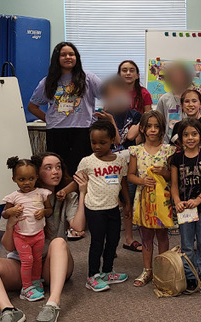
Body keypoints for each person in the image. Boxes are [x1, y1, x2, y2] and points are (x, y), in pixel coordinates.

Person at [0, 152, 85, 322]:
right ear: (37, 173)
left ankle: (52, 304)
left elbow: (78, 227)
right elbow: (9, 247)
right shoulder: (16, 200)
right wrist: (11, 223)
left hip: (52, 265)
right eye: (48, 168)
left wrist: (82, 193)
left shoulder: (66, 196)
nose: (55, 171)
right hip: (22, 264)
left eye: (58, 167)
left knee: (58, 242)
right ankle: (8, 310)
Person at [28, 42, 102, 174]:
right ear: (57, 58)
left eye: (71, 54)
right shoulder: (48, 82)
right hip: (56, 131)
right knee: (58, 171)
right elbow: (32, 107)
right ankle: (60, 195)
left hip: (83, 130)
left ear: (76, 57)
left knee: (82, 170)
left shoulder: (88, 78)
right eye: (63, 55)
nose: (68, 57)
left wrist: (102, 117)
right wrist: (49, 119)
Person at [76, 119, 131, 291]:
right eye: (93, 142)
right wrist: (64, 190)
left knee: (113, 240)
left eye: (102, 142)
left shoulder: (120, 160)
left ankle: (107, 271)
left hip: (113, 208)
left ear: (112, 140)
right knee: (97, 242)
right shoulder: (87, 161)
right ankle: (92, 276)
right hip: (94, 209)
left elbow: (123, 182)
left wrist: (127, 203)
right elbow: (77, 179)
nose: (97, 146)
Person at [128, 111, 176, 287]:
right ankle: (147, 270)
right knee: (146, 236)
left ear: (162, 129)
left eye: (156, 126)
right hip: (143, 200)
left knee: (163, 235)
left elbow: (172, 175)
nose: (153, 130)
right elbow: (130, 175)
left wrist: (164, 172)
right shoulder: (136, 151)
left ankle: (162, 268)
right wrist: (141, 181)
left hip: (162, 201)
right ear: (142, 128)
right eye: (149, 126)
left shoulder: (168, 150)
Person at [97, 76, 142, 252]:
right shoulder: (103, 116)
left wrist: (112, 121)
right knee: (110, 203)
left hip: (129, 164)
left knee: (128, 201)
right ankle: (109, 243)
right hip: (109, 165)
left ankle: (129, 239)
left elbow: (127, 138)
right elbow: (112, 142)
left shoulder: (136, 115)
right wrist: (109, 119)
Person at [170, 118, 201, 291]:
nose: (190, 138)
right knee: (187, 244)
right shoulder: (176, 159)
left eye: (194, 134)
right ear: (180, 138)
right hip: (184, 210)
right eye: (186, 135)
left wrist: (198, 200)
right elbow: (174, 185)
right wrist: (176, 201)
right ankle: (190, 274)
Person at [2, 157, 53, 302]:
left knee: (37, 260)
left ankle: (36, 282)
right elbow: (4, 214)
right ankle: (26, 288)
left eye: (31, 178)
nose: (27, 183)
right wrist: (11, 212)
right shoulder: (13, 197)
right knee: (27, 260)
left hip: (38, 234)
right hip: (21, 236)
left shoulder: (42, 193)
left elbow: (49, 210)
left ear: (37, 177)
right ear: (14, 179)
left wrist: (43, 212)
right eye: (22, 179)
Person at [171, 89, 201, 154]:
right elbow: (174, 148)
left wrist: (194, 158)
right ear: (181, 106)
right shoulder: (178, 126)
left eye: (194, 101)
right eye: (187, 101)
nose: (190, 104)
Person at [156, 61, 194, 143]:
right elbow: (158, 122)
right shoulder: (164, 99)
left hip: (190, 143)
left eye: (180, 75)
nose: (177, 78)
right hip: (168, 143)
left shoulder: (193, 98)